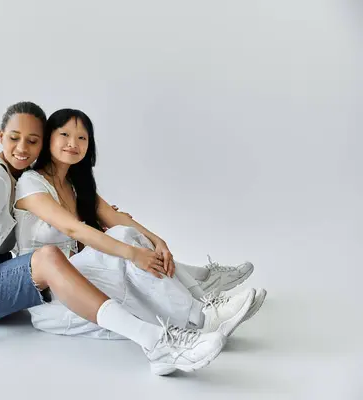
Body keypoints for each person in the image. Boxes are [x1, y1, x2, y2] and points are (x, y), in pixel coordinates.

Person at [0, 101, 227, 375]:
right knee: (48, 256)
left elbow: (88, 223)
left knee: (97, 244)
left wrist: (150, 241)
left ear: (42, 143)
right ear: (0, 136)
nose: (22, 148)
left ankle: (197, 299)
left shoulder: (34, 177)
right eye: (14, 138)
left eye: (32, 141)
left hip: (1, 269)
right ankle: (157, 341)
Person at [14, 108, 267, 339]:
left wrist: (158, 242)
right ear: (49, 139)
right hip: (51, 292)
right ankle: (202, 311)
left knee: (125, 234)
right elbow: (73, 228)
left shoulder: (76, 185)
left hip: (81, 274)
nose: (73, 143)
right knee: (125, 241)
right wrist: (134, 254)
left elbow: (119, 220)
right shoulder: (31, 182)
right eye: (65, 134)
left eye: (82, 138)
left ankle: (203, 304)